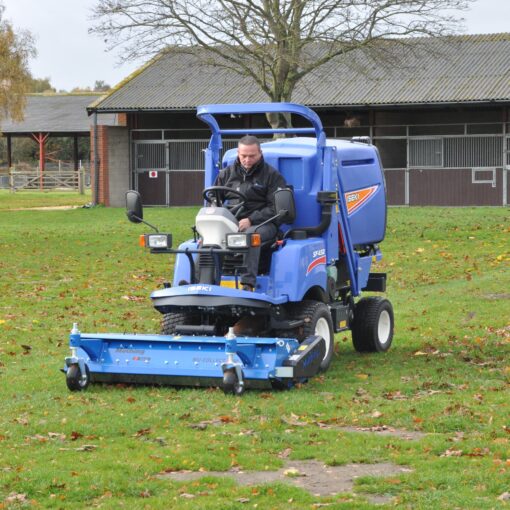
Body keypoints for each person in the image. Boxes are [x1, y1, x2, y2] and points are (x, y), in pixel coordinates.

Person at [214, 135, 287, 291]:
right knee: (208, 239)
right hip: (233, 220)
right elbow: (214, 199)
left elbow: (276, 208)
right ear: (238, 154)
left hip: (264, 224)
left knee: (250, 236)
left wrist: (251, 219)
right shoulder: (226, 174)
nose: (247, 160)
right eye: (243, 156)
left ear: (260, 153)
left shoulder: (272, 176)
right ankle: (205, 281)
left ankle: (247, 284)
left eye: (252, 156)